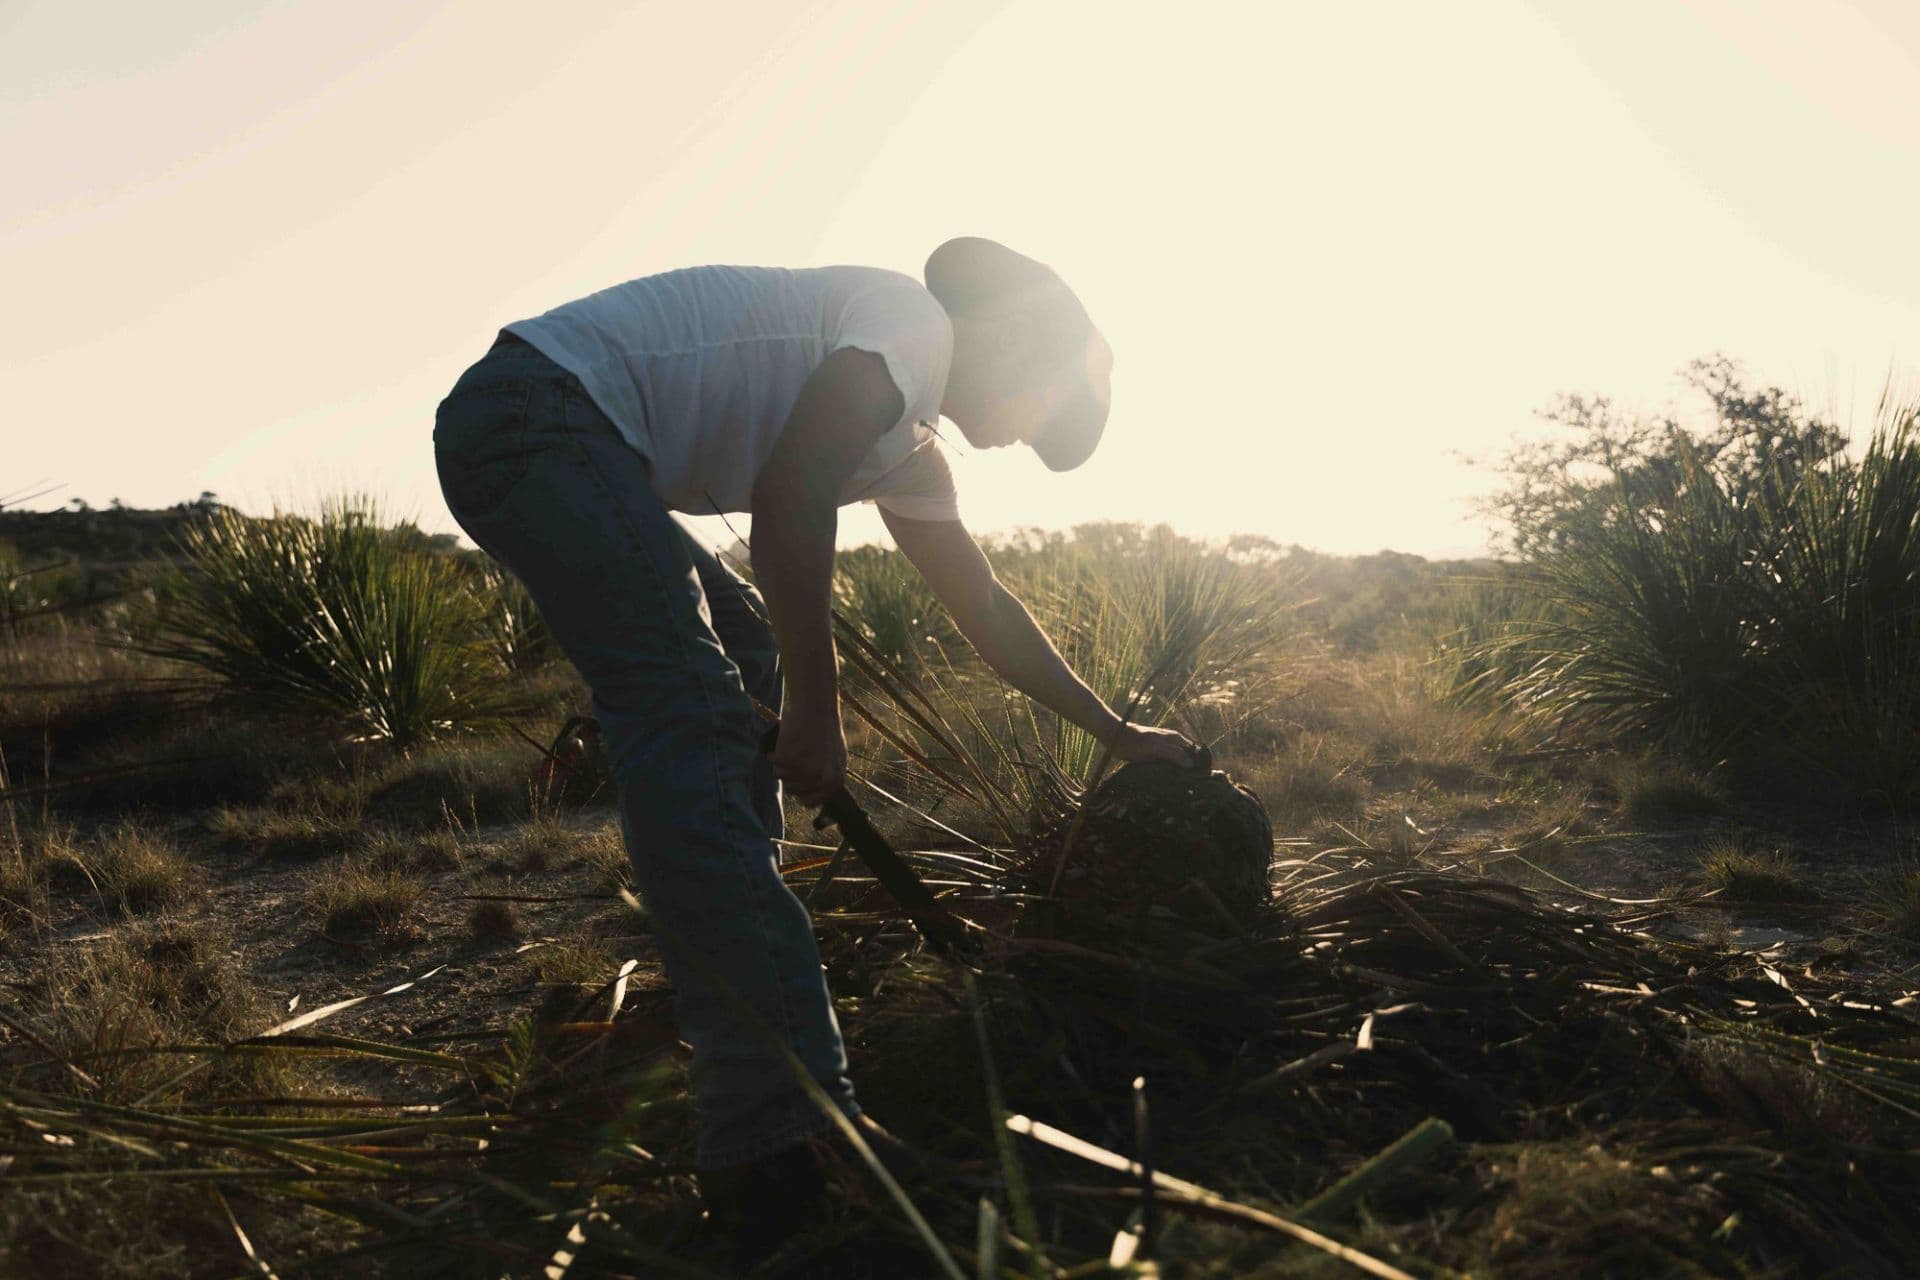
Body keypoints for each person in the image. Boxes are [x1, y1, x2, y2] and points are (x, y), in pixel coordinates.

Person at [431, 237, 1199, 1238]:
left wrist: (1116, 728)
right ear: (1011, 334)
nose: (1021, 438)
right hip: (535, 417)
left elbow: (986, 607)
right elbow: (793, 493)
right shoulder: (910, 329)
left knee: (740, 652)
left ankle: (741, 950)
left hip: (548, 427)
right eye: (1042, 408)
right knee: (698, 706)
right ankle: (779, 1134)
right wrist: (819, 712)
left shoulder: (910, 440)